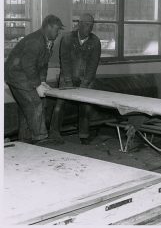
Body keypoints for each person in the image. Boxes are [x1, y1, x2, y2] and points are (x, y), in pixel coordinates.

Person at [5, 14, 64, 145]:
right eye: (57, 29)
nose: (58, 32)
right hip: (17, 74)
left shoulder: (48, 42)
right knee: (35, 103)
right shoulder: (36, 41)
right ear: (48, 27)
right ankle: (40, 138)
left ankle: (25, 139)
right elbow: (28, 65)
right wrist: (37, 85)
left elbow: (43, 65)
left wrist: (42, 81)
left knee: (27, 106)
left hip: (24, 73)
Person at [50, 13, 101, 145]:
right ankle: (54, 133)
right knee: (59, 105)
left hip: (86, 78)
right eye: (85, 24)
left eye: (91, 25)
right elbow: (64, 60)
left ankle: (84, 134)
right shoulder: (67, 38)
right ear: (79, 24)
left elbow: (93, 64)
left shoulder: (95, 41)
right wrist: (68, 81)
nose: (88, 28)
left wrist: (85, 82)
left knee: (86, 105)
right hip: (67, 76)